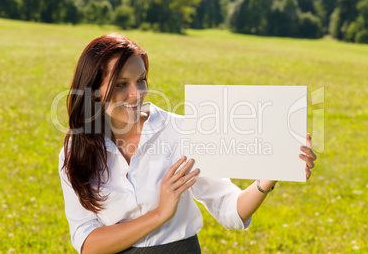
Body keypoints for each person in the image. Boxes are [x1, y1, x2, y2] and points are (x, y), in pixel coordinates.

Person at [58, 33, 317, 254]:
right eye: (121, 84)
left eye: (142, 80)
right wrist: (160, 213)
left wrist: (267, 178)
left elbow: (229, 209)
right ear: (93, 90)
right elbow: (87, 242)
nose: (137, 93)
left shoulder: (183, 130)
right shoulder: (76, 151)